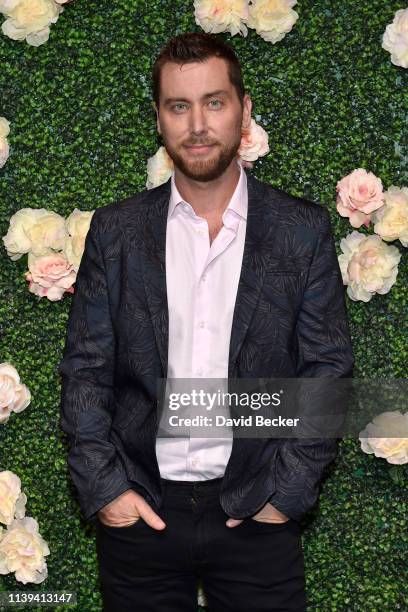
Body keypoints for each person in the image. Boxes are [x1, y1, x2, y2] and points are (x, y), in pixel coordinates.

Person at [59, 32, 354, 612]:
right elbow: (86, 370)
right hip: (142, 512)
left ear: (243, 111)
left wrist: (284, 496)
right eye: (179, 106)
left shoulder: (301, 229)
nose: (198, 124)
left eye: (214, 102)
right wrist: (108, 490)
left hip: (257, 516)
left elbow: (327, 370)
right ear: (160, 119)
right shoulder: (116, 233)